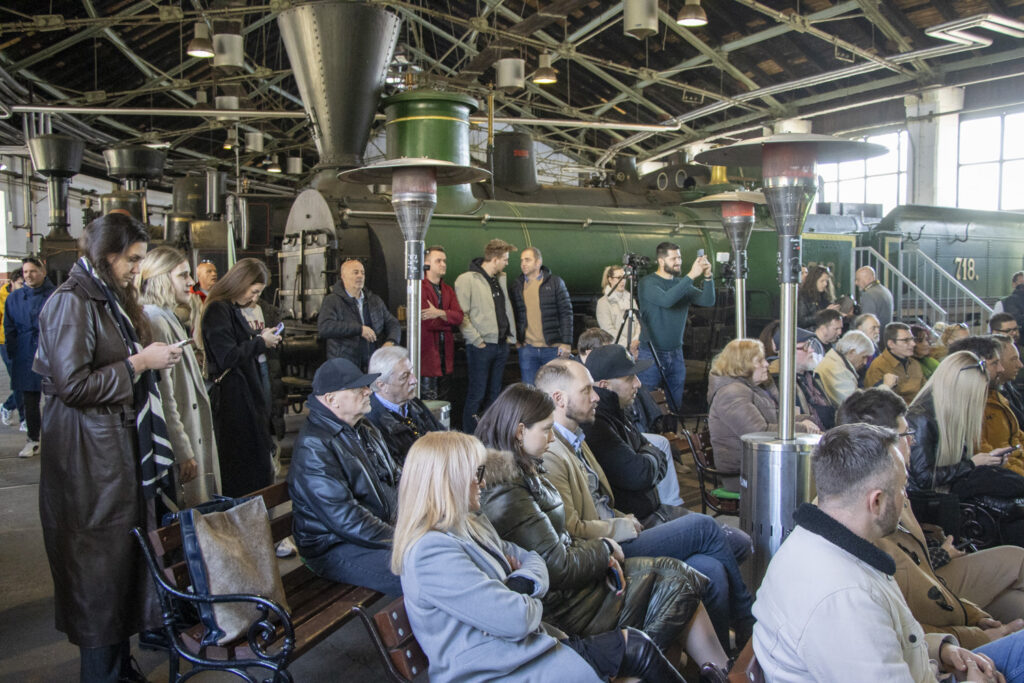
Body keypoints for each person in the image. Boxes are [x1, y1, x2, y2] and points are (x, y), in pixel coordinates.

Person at [392, 431, 695, 683]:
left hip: (522, 651)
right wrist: (521, 587)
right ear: (449, 479)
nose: (483, 482)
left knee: (646, 637)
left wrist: (518, 582)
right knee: (639, 646)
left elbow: (532, 558)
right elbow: (516, 618)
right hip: (496, 670)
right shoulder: (429, 551)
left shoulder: (471, 522)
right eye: (477, 473)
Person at [475, 383, 726, 668]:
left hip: (575, 585)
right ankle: (688, 665)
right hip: (565, 605)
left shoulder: (525, 468)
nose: (551, 437)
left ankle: (712, 669)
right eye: (546, 429)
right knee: (680, 576)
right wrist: (605, 548)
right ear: (520, 432)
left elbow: (559, 545)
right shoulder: (508, 488)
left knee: (683, 576)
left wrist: (603, 549)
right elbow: (556, 564)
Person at [35, 213, 184, 683]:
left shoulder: (105, 299)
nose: (137, 269)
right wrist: (140, 362)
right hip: (88, 468)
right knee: (98, 585)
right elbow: (72, 383)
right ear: (107, 254)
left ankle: (119, 670)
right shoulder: (71, 302)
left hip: (111, 461)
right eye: (133, 259)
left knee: (118, 576)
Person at [753, 423, 1009, 683]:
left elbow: (885, 646)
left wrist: (942, 649)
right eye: (902, 487)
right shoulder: (844, 599)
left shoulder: (817, 543)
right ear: (876, 501)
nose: (904, 496)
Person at [535, 358, 755, 650]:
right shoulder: (550, 452)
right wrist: (622, 524)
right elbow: (572, 529)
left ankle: (718, 664)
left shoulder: (578, 437)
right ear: (559, 399)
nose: (596, 396)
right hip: (605, 551)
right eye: (587, 390)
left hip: (622, 530)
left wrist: (621, 516)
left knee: (710, 568)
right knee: (704, 526)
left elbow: (602, 497)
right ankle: (747, 622)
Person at [839, 386, 1024, 643]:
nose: (912, 440)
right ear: (882, 441)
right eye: (906, 434)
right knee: (1017, 558)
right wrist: (974, 634)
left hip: (933, 590)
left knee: (1015, 604)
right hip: (931, 598)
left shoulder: (879, 485)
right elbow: (904, 584)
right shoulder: (870, 501)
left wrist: (974, 616)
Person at [288, 358, 402, 595]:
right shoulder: (314, 445)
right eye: (357, 388)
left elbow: (396, 475)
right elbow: (347, 519)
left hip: (377, 532)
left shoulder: (363, 426)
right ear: (331, 400)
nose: (367, 391)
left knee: (444, 547)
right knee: (422, 569)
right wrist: (401, 539)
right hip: (335, 547)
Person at [139, 247, 221, 506]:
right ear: (162, 278)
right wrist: (183, 450)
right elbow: (166, 396)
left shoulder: (166, 317)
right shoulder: (156, 321)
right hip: (184, 435)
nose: (190, 282)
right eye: (183, 275)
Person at [200, 258, 281, 497]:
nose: (254, 298)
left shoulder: (231, 310)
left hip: (244, 397)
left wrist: (258, 337)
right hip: (234, 403)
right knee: (243, 467)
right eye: (254, 292)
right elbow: (227, 356)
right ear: (240, 283)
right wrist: (260, 342)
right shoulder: (218, 310)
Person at [582, 345, 686, 525]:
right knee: (714, 532)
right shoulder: (596, 425)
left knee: (725, 537)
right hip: (636, 524)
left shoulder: (619, 411)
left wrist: (648, 454)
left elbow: (652, 459)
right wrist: (650, 453)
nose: (638, 383)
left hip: (653, 512)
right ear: (605, 385)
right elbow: (640, 474)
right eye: (630, 378)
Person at [707, 339, 818, 493]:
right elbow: (757, 433)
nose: (767, 364)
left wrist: (805, 419)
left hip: (762, 463)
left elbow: (772, 417)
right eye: (760, 360)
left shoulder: (751, 388)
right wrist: (803, 427)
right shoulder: (731, 393)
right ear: (742, 363)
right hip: (744, 473)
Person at [906, 351, 1015, 493]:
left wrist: (988, 460)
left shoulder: (947, 413)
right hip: (928, 504)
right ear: (960, 390)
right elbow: (924, 478)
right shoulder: (920, 418)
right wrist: (972, 464)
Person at [636, 241, 714, 410]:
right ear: (661, 261)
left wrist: (708, 276)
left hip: (676, 354)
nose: (678, 262)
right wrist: (691, 275)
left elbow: (708, 301)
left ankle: (671, 435)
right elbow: (667, 301)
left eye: (679, 257)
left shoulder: (681, 284)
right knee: (647, 406)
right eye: (673, 258)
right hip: (650, 353)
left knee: (674, 406)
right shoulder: (647, 283)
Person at [454, 238, 518, 432]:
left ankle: (489, 434)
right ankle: (470, 435)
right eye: (505, 259)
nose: (507, 263)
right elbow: (461, 314)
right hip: (481, 346)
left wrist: (510, 337)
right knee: (477, 394)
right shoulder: (466, 280)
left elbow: (505, 308)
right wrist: (476, 340)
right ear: (495, 259)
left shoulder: (498, 279)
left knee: (495, 394)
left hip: (500, 345)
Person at [5, 257, 55, 458]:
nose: (29, 275)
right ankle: (33, 440)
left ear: (43, 272)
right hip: (25, 352)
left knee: (55, 399)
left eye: (33, 271)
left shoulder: (55, 295)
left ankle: (58, 440)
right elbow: (9, 328)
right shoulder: (14, 298)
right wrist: (13, 352)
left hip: (50, 350)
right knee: (29, 399)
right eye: (25, 272)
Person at [365, 345, 444, 465]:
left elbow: (442, 436)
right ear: (382, 385)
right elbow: (394, 471)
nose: (414, 380)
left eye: (411, 372)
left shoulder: (414, 404)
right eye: (404, 376)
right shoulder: (370, 422)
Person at [318, 258, 400, 371]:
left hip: (372, 367)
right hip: (344, 368)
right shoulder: (332, 301)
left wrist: (391, 342)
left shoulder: (374, 300)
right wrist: (359, 329)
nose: (360, 276)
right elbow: (325, 327)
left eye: (362, 273)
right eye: (355, 272)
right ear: (343, 276)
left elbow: (393, 323)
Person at [509, 246, 573, 385]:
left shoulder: (555, 282)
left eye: (527, 260)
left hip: (552, 349)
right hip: (528, 349)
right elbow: (513, 313)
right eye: (521, 260)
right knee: (530, 391)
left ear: (538, 263)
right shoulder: (517, 285)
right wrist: (517, 340)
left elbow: (566, 313)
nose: (523, 264)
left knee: (555, 389)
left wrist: (566, 343)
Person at [420, 245, 463, 401]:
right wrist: (448, 319)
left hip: (446, 357)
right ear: (426, 264)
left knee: (445, 401)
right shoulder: (420, 288)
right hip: (428, 358)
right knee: (429, 402)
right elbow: (428, 322)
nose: (443, 264)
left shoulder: (447, 290)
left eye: (444, 261)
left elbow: (459, 317)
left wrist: (439, 313)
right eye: (438, 261)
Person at [980, 335, 1024, 475]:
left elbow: (1018, 436)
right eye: (1013, 359)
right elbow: (993, 459)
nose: (1020, 365)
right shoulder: (975, 407)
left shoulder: (999, 395)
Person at [865, 322, 927, 405]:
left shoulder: (915, 364)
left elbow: (925, 392)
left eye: (912, 339)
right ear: (891, 344)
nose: (913, 344)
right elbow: (875, 402)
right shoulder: (878, 366)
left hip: (919, 411)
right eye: (906, 340)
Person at [814, 329, 874, 407]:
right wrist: (885, 387)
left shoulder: (837, 362)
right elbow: (855, 406)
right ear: (852, 352)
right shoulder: (836, 370)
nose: (865, 362)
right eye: (864, 357)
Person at [595, 264, 640, 354]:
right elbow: (607, 329)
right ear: (610, 279)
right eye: (619, 277)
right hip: (616, 349)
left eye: (624, 277)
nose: (622, 281)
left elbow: (638, 322)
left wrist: (636, 341)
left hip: (636, 347)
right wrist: (627, 345)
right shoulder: (603, 302)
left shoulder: (630, 299)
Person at [0, 267, 23, 427]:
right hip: (5, 343)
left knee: (26, 381)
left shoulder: (26, 296)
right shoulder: (2, 298)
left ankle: (8, 406)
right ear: (12, 283)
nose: (24, 286)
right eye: (21, 283)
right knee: (20, 381)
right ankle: (25, 420)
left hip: (25, 343)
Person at [797, 264, 838, 329]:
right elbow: (802, 321)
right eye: (822, 281)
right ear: (814, 281)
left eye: (826, 281)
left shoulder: (826, 296)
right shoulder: (803, 296)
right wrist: (824, 313)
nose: (825, 284)